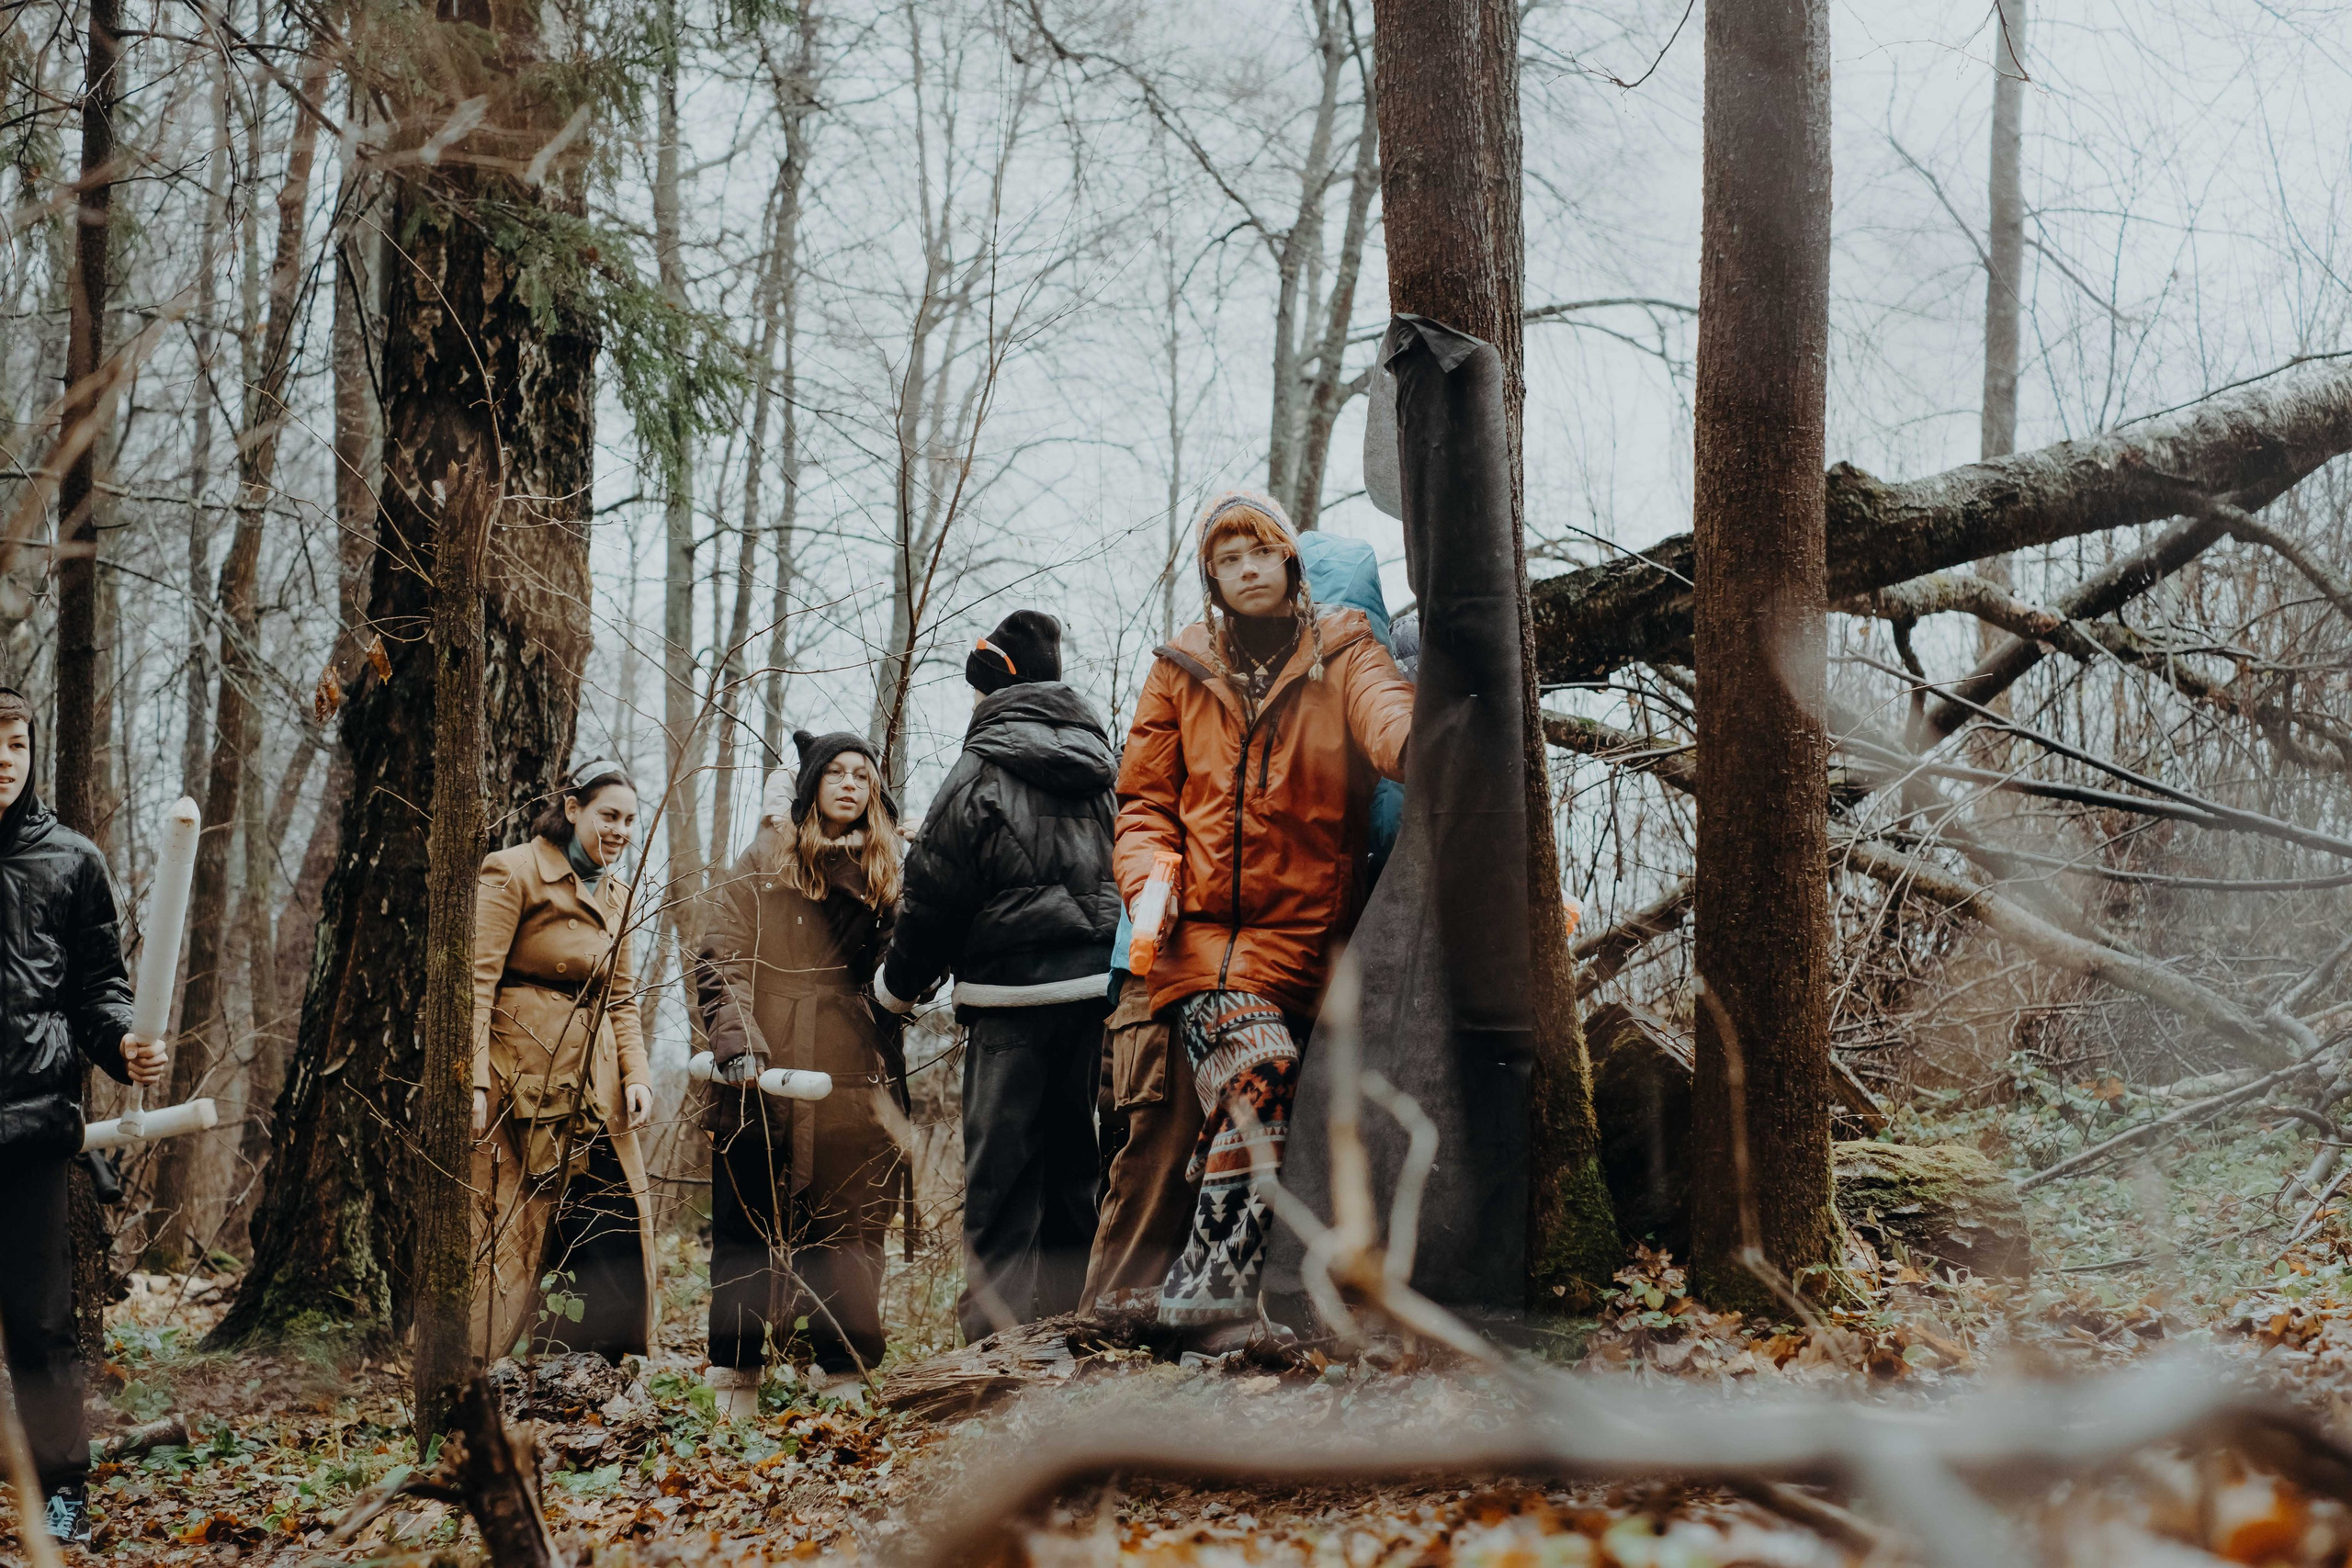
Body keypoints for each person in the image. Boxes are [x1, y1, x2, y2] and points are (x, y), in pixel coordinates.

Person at [1082, 529, 1411, 1314]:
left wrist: (1429, 743)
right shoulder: (1180, 667)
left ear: (1290, 562)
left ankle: (1188, 1308)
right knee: (1255, 1074)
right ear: (1211, 579)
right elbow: (1145, 805)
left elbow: (1390, 716)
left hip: (1303, 955)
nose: (1247, 570)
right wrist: (1150, 885)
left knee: (1278, 1112)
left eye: (1260, 553)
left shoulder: (1344, 650)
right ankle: (1196, 1299)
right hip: (1196, 949)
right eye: (1228, 561)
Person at [871, 609, 1118, 1342]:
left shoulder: (978, 768)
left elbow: (934, 896)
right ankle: (1072, 1332)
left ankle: (994, 1348)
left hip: (1010, 1003)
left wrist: (894, 990)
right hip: (1092, 994)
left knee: (1002, 1176)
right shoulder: (1103, 766)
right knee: (1078, 1170)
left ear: (993, 690)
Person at [0, 688, 169, 1543]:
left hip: (30, 1131)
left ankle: (63, 1494)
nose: (2, 756)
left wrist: (124, 1047)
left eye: (16, 740)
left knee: (40, 1329)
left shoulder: (72, 860)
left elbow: (99, 990)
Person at [697, 732, 908, 1414]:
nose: (850, 784)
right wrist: (740, 1043)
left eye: (863, 775)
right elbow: (719, 954)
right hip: (764, 1065)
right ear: (812, 783)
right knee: (745, 1219)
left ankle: (843, 1370)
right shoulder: (762, 861)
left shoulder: (887, 872)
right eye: (837, 772)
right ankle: (736, 1375)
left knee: (848, 1224)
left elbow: (902, 969)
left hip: (848, 1062)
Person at [469, 761, 654, 1362]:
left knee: (613, 1224)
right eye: (609, 814)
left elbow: (621, 996)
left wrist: (638, 1075)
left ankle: (600, 1373)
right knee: (514, 1233)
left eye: (629, 819)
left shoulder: (619, 894)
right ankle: (479, 1372)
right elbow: (476, 980)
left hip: (595, 1089)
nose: (621, 829)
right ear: (572, 808)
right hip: (520, 1080)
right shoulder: (514, 869)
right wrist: (472, 1081)